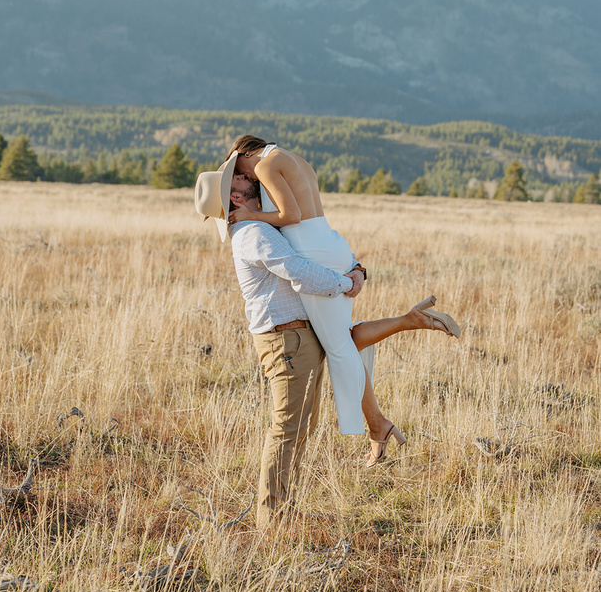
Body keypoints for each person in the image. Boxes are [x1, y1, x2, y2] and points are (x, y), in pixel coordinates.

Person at [194, 156, 456, 527]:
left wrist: (357, 269)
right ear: (236, 198)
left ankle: (285, 507)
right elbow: (297, 270)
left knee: (301, 426)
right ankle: (272, 518)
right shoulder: (253, 233)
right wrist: (346, 283)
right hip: (285, 340)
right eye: (235, 178)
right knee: (287, 427)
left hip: (299, 336)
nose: (244, 174)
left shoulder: (264, 225)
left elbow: (312, 249)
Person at [225, 136, 460, 464]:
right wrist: (354, 267)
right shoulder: (293, 159)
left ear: (243, 155)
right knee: (344, 339)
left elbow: (291, 216)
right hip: (331, 243)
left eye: (238, 170)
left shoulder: (264, 167)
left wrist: (250, 218)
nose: (244, 176)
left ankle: (378, 423)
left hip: (310, 250)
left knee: (340, 346)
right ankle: (381, 417)